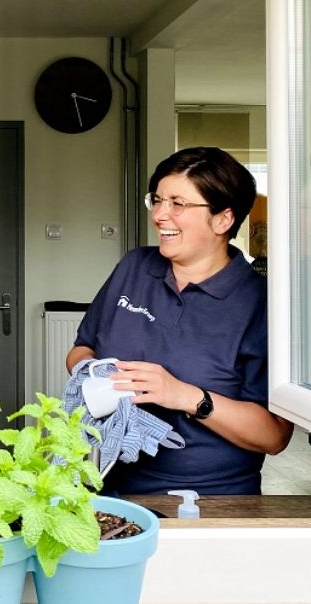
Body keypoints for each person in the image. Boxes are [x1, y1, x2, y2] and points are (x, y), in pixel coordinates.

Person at [67, 146, 293, 495]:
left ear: (223, 219)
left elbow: (275, 435)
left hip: (211, 501)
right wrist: (97, 374)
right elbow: (82, 349)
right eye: (157, 200)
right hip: (113, 487)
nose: (159, 215)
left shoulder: (259, 302)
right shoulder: (135, 268)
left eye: (177, 203)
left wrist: (183, 395)